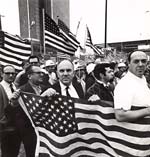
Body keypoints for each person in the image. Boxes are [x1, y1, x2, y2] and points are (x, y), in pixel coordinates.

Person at [16, 65, 48, 157]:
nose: (41, 74)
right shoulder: (22, 91)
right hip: (30, 133)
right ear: (29, 76)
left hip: (45, 132)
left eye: (42, 73)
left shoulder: (45, 88)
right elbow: (18, 115)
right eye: (38, 73)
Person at [114, 51, 150, 122]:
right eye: (136, 61)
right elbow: (120, 115)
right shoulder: (125, 84)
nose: (140, 64)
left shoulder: (141, 78)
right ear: (128, 63)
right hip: (139, 130)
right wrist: (148, 111)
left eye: (143, 61)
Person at [0, 65, 20, 157]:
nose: (11, 75)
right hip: (5, 127)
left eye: (13, 73)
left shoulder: (14, 86)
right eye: (8, 73)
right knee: (6, 153)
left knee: (14, 152)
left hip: (16, 126)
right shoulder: (1, 88)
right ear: (2, 74)